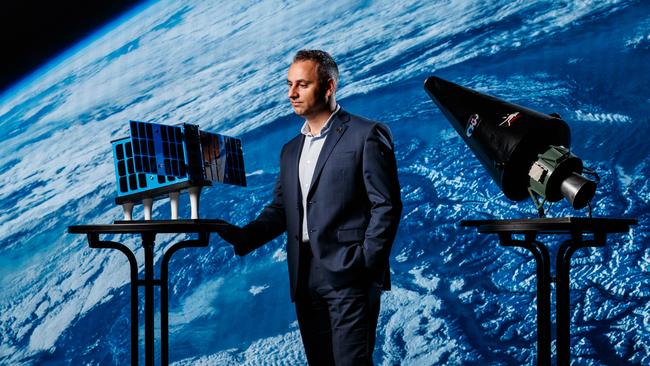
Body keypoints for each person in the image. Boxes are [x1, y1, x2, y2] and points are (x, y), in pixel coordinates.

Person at [216, 49, 402, 365]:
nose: (291, 93)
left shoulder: (366, 134)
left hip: (350, 272)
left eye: (302, 84)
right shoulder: (290, 151)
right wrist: (244, 237)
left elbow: (387, 205)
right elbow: (281, 209)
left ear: (328, 87)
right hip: (304, 277)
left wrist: (365, 265)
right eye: (289, 84)